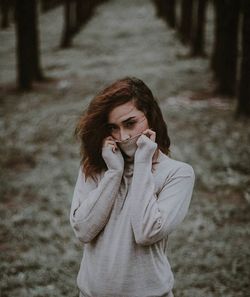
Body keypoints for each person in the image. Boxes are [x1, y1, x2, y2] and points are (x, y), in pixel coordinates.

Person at [70, 77, 195, 297]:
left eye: (130, 123)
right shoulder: (96, 167)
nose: (123, 137)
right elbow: (83, 230)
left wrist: (143, 163)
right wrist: (114, 173)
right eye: (113, 128)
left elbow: (147, 232)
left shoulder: (177, 174)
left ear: (150, 117)